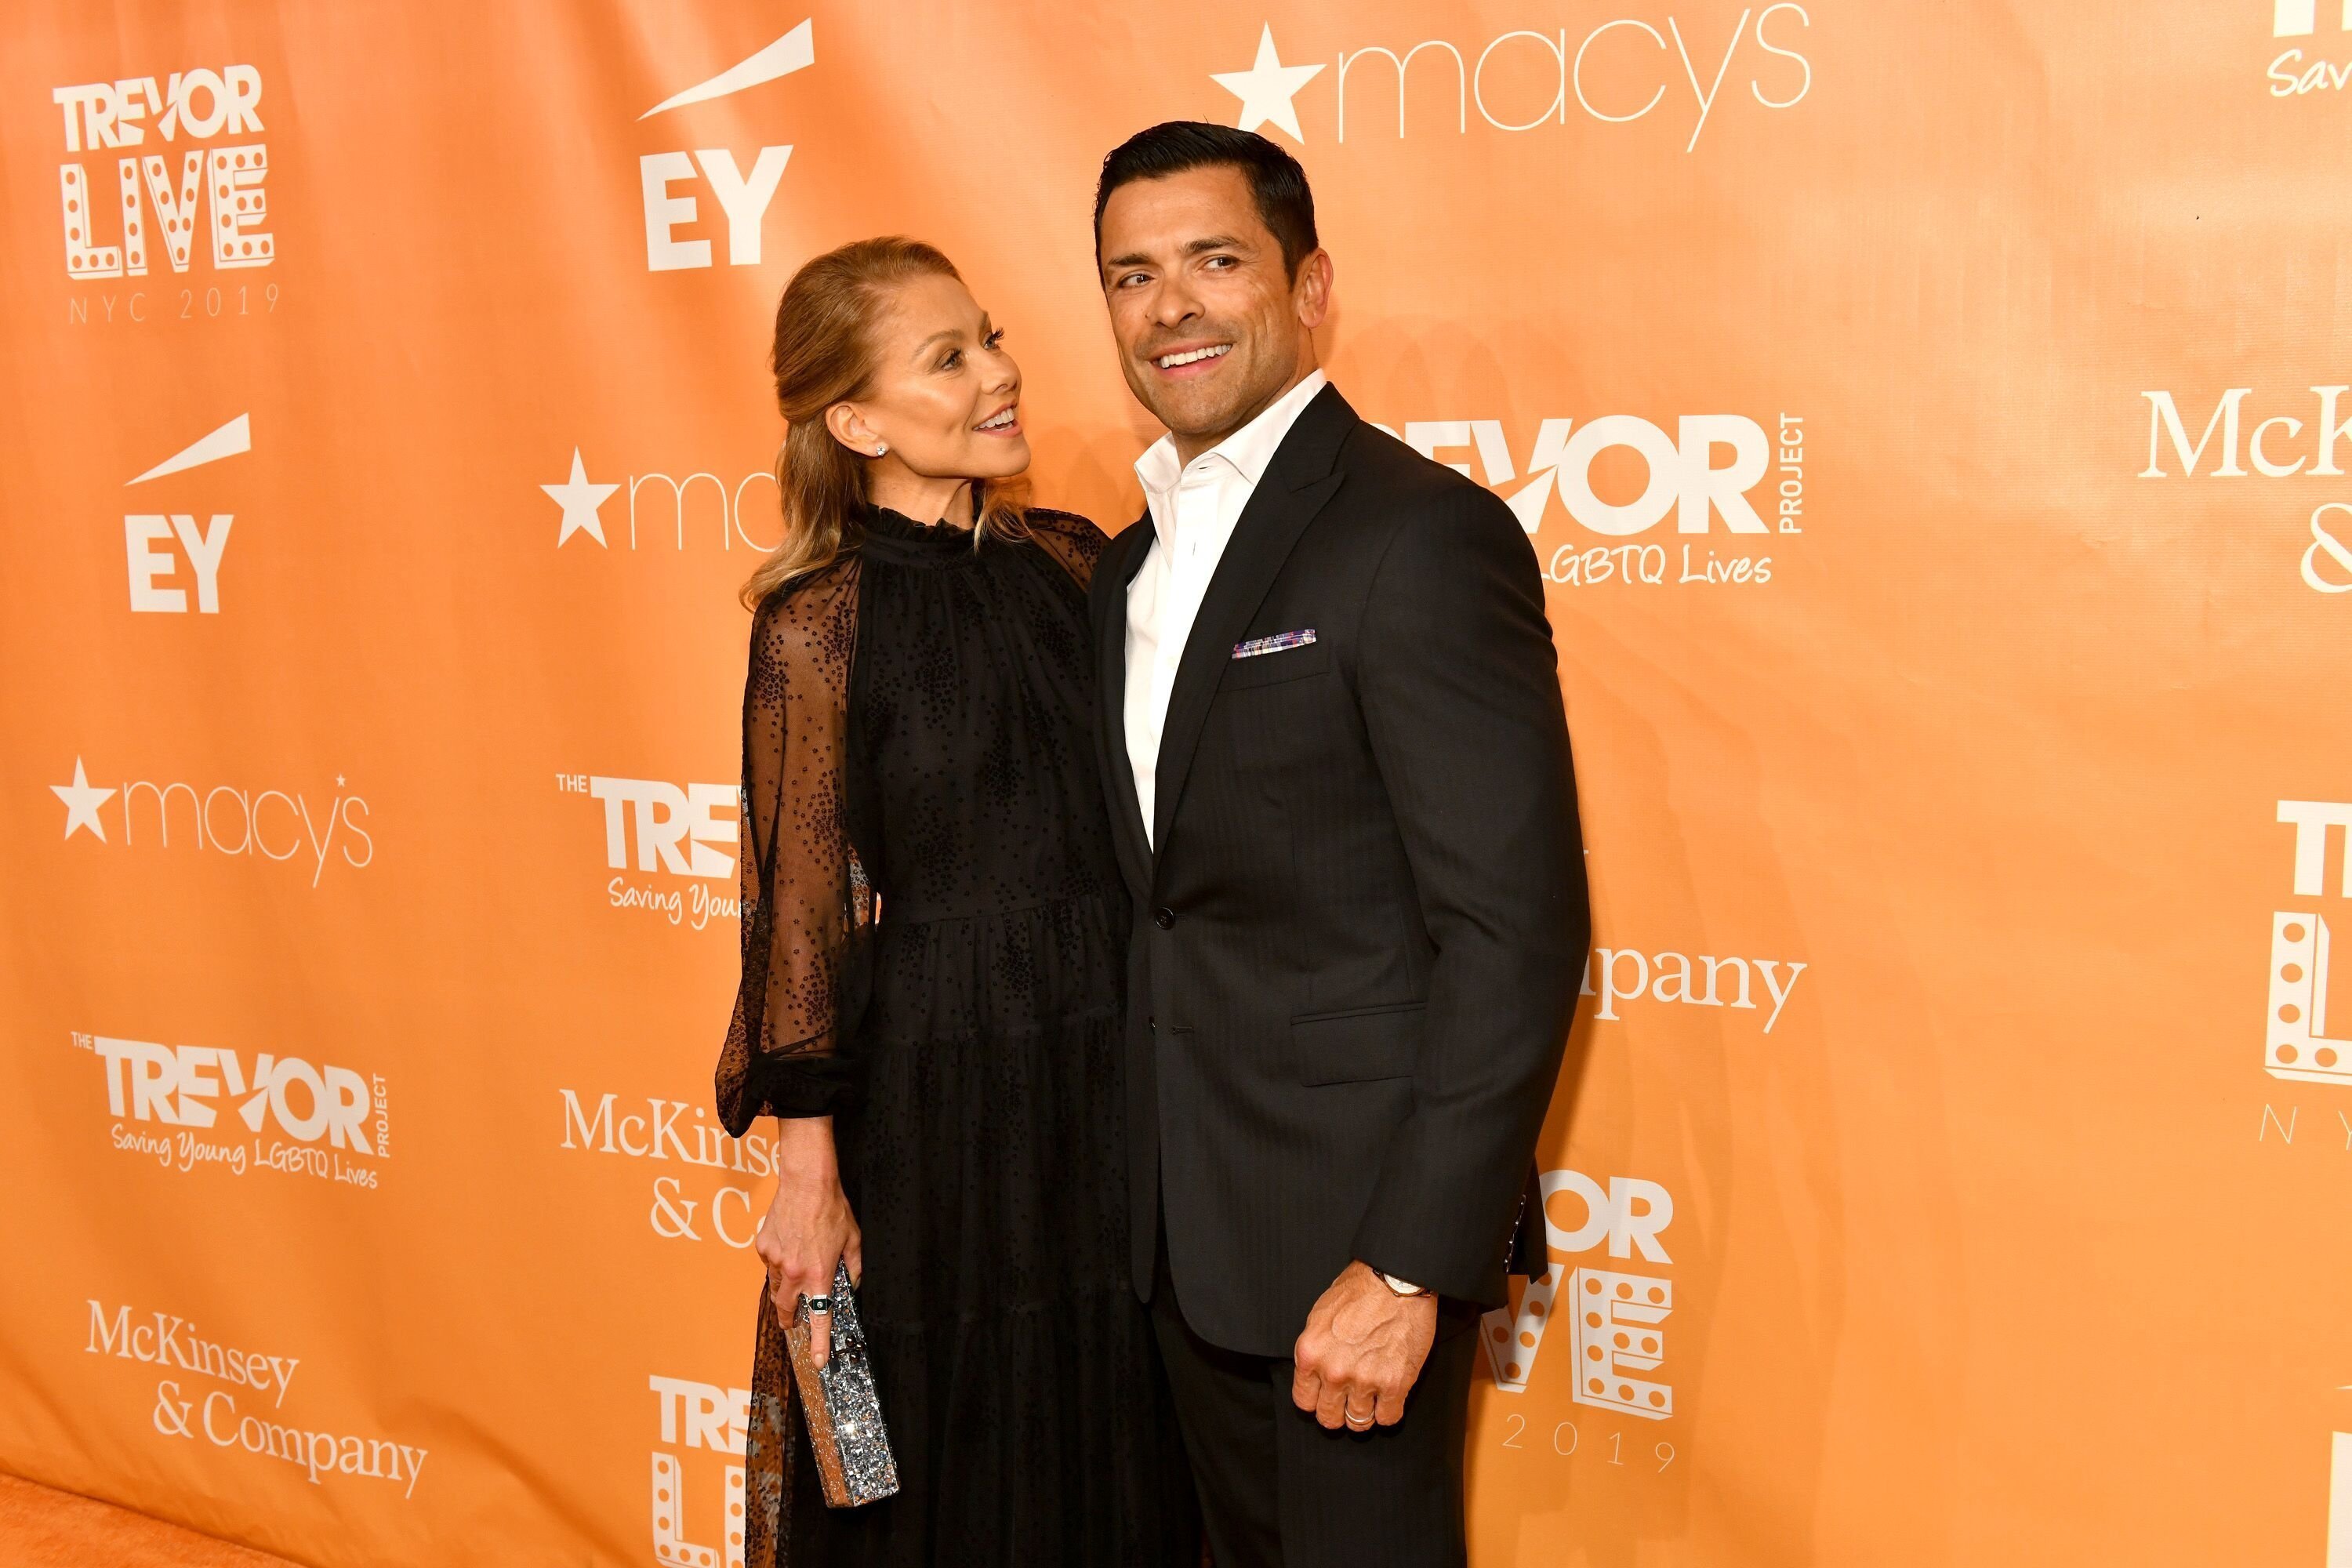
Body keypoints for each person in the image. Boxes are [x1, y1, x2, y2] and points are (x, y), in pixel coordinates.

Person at [1086, 123, 1591, 1566]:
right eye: (1132, 275)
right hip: (1173, 1255)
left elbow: (1513, 932)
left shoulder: (1420, 536)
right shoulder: (1123, 565)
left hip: (1345, 1262)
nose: (1170, 304)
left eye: (1214, 260)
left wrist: (1413, 1261)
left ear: (1310, 289)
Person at [715, 236, 1198, 1567]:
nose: (1001, 371)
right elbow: (796, 916)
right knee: (919, 1439)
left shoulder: (1078, 564)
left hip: (1110, 1062)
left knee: (1116, 1406)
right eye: (950, 357)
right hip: (938, 1086)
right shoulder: (817, 620)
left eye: (989, 336)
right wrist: (806, 1179)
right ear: (856, 419)